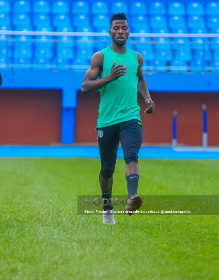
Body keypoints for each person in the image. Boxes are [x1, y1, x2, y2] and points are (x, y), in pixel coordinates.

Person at [81, 13, 155, 224]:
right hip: (107, 120)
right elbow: (85, 87)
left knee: (131, 154)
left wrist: (148, 99)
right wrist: (110, 77)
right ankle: (107, 208)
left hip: (131, 115)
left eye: (124, 28)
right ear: (110, 31)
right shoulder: (100, 58)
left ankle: (132, 197)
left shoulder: (136, 57)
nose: (121, 31)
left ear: (128, 31)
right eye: (117, 28)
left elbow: (140, 78)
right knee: (107, 168)